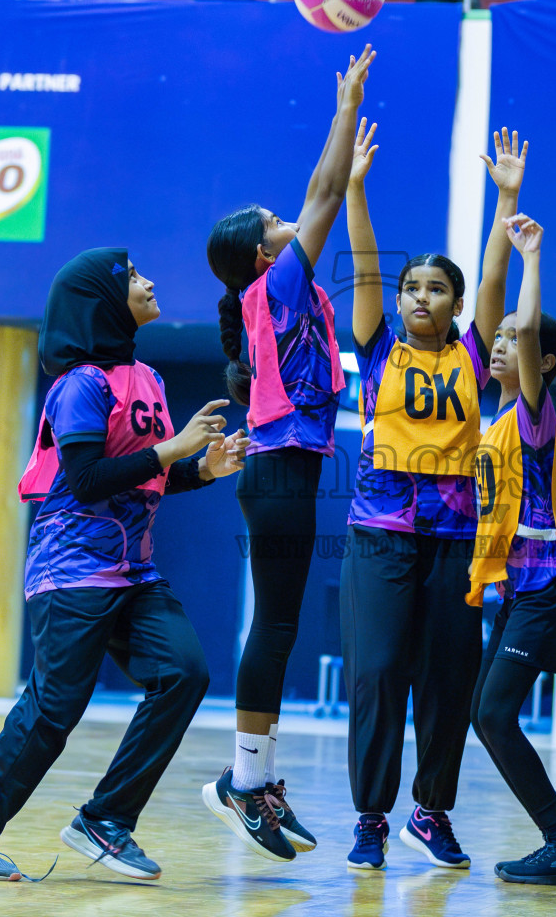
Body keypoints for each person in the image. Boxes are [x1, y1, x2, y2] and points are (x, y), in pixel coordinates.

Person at [0, 247, 250, 883]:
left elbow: (145, 478)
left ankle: (106, 820)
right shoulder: (81, 386)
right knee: (53, 711)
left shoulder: (146, 379)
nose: (149, 281)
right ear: (102, 300)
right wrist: (172, 450)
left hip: (132, 573)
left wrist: (199, 469)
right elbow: (88, 479)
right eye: (131, 277)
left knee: (183, 672)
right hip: (72, 570)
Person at [200, 45, 375, 863]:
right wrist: (345, 106)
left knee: (281, 625)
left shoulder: (271, 292)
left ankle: (259, 780)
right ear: (263, 252)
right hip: (278, 474)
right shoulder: (274, 286)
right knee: (273, 627)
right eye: (273, 221)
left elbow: (321, 195)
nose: (286, 219)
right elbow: (326, 191)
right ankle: (241, 781)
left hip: (287, 474)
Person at [337, 123, 522, 872]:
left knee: (447, 681)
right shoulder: (377, 343)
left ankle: (431, 812)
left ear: (455, 305)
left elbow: (496, 277)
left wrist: (506, 199)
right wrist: (354, 187)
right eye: (411, 286)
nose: (419, 296)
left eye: (435, 288)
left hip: (453, 541)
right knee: (378, 672)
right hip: (379, 534)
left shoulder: (473, 354)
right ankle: (371, 819)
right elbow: (363, 267)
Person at [467, 213, 556, 886]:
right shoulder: (497, 423)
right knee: (484, 718)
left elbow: (526, 323)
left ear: (541, 363)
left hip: (548, 587)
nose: (500, 343)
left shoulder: (530, 409)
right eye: (497, 337)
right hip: (517, 588)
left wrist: (531, 259)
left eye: (514, 340)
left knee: (493, 713)